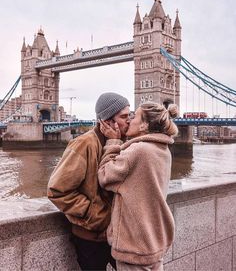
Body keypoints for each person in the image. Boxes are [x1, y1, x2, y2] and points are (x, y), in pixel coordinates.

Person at [47, 92, 130, 271]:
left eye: (129, 115)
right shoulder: (84, 144)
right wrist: (95, 215)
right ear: (107, 121)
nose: (129, 120)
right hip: (91, 238)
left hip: (119, 236)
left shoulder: (124, 145)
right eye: (124, 116)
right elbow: (57, 190)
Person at [98, 102, 178, 271]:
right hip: (154, 241)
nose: (130, 120)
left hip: (135, 246)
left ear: (145, 125)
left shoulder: (138, 151)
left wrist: (113, 142)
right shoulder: (162, 149)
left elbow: (104, 176)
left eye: (134, 116)